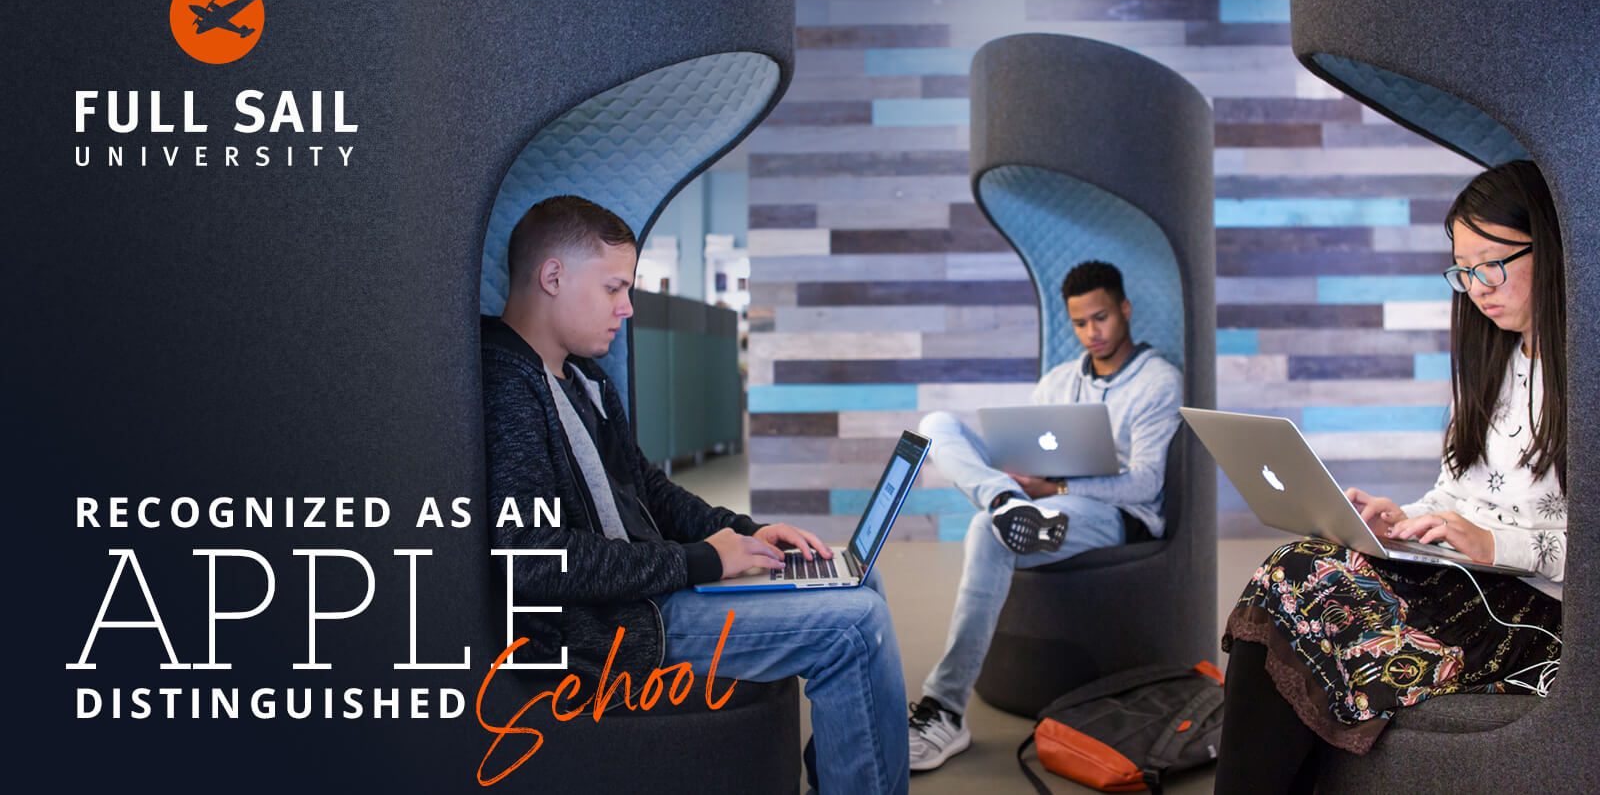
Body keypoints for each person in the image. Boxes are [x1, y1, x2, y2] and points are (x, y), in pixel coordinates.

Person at [481, 195, 909, 794]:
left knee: (857, 580)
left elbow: (648, 490)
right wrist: (702, 560)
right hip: (614, 628)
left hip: (649, 591)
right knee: (853, 627)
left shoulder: (582, 377)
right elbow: (530, 556)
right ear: (553, 276)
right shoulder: (507, 383)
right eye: (613, 288)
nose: (627, 308)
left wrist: (744, 531)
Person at [1214, 160, 1567, 793]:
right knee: (1298, 567)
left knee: (1301, 586)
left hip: (1539, 613)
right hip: (1473, 582)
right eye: (1463, 271)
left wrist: (1495, 545)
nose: (1479, 287)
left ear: (1553, 243)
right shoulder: (1494, 362)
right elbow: (1456, 492)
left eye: (1493, 263)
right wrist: (1404, 520)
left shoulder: (1584, 374)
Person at [906, 260, 1184, 770]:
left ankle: (943, 710)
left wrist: (1057, 485)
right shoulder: (1058, 380)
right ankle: (1000, 499)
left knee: (983, 532)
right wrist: (1019, 481)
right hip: (1042, 505)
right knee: (935, 423)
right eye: (1079, 323)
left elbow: (1147, 480)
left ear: (1124, 309)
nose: (1091, 333)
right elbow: (1028, 446)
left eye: (1100, 318)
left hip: (1116, 513)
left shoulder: (1158, 382)